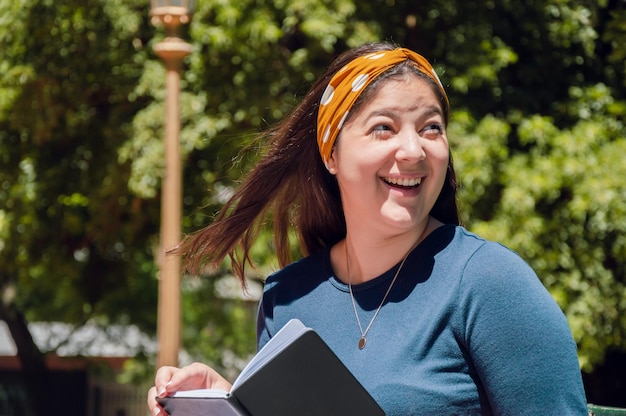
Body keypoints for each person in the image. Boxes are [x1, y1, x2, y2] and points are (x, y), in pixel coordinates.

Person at [147, 41, 588, 415]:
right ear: (331, 154)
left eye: (431, 128)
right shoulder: (286, 297)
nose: (413, 150)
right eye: (384, 128)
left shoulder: (491, 284)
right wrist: (223, 398)